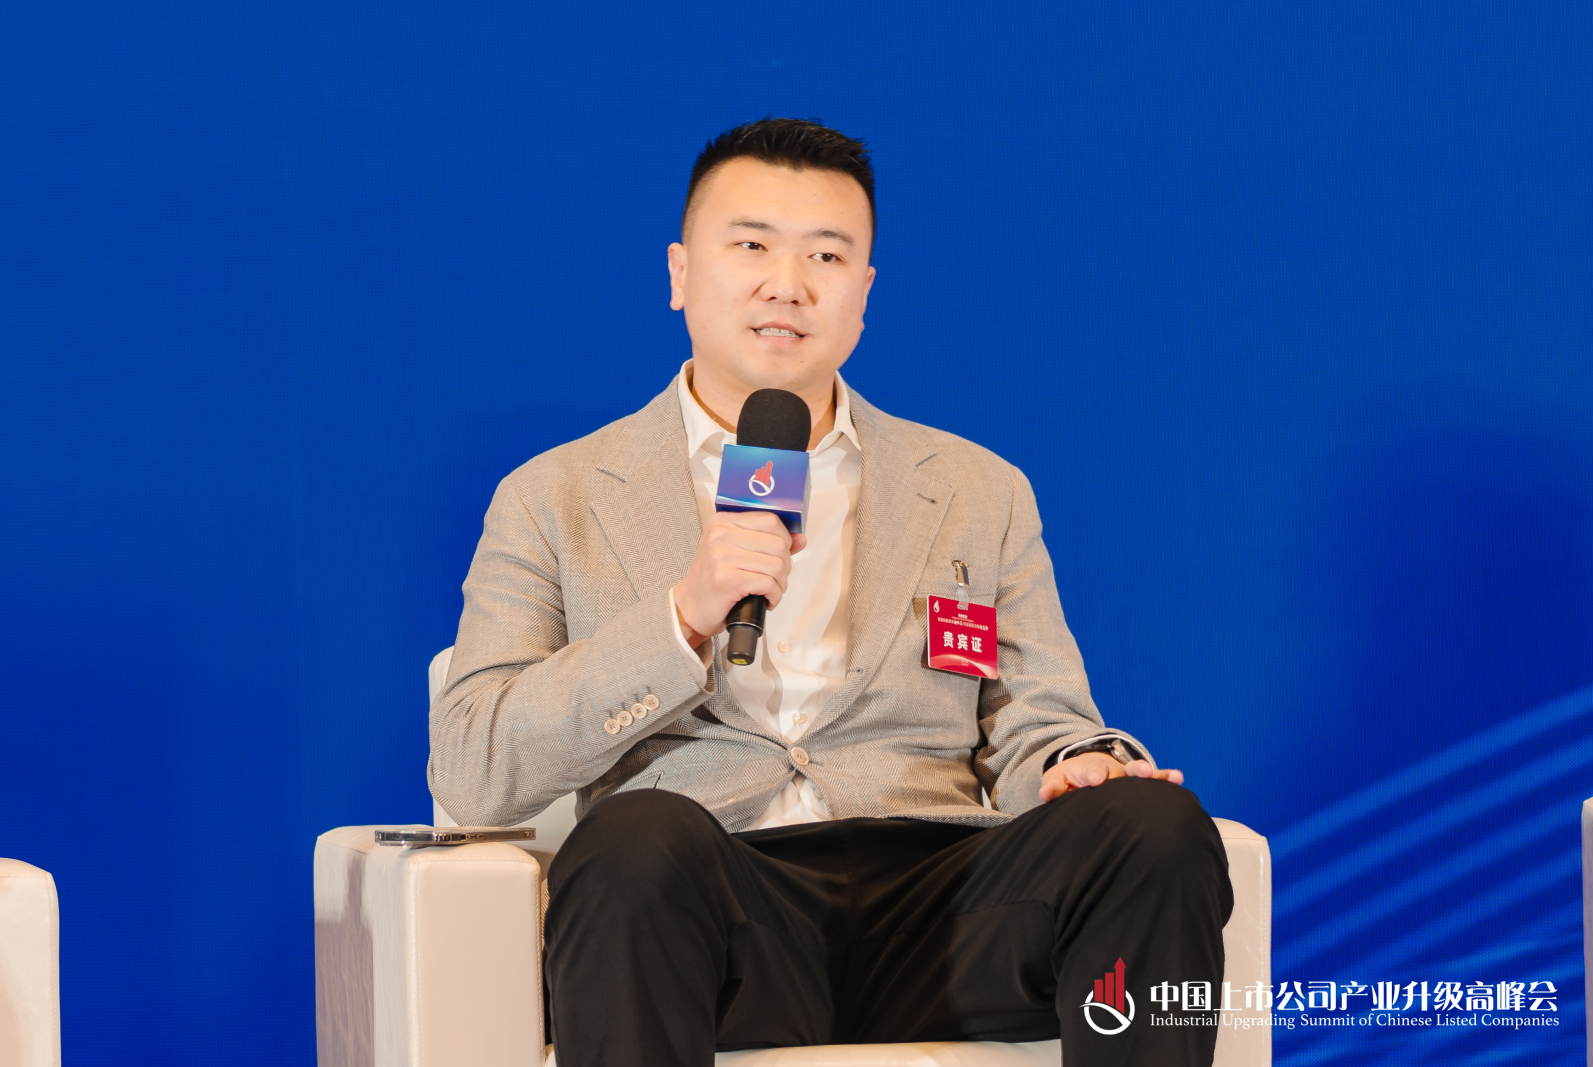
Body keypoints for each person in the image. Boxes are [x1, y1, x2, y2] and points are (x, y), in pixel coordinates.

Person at [429, 119, 1231, 1067]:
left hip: (944, 908)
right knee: (631, 838)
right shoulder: (554, 496)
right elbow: (473, 770)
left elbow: (1035, 718)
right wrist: (681, 617)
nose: (788, 283)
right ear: (681, 273)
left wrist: (1072, 762)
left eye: (826, 255)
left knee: (1153, 827)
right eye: (752, 245)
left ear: (863, 295)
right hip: (711, 910)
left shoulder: (977, 490)